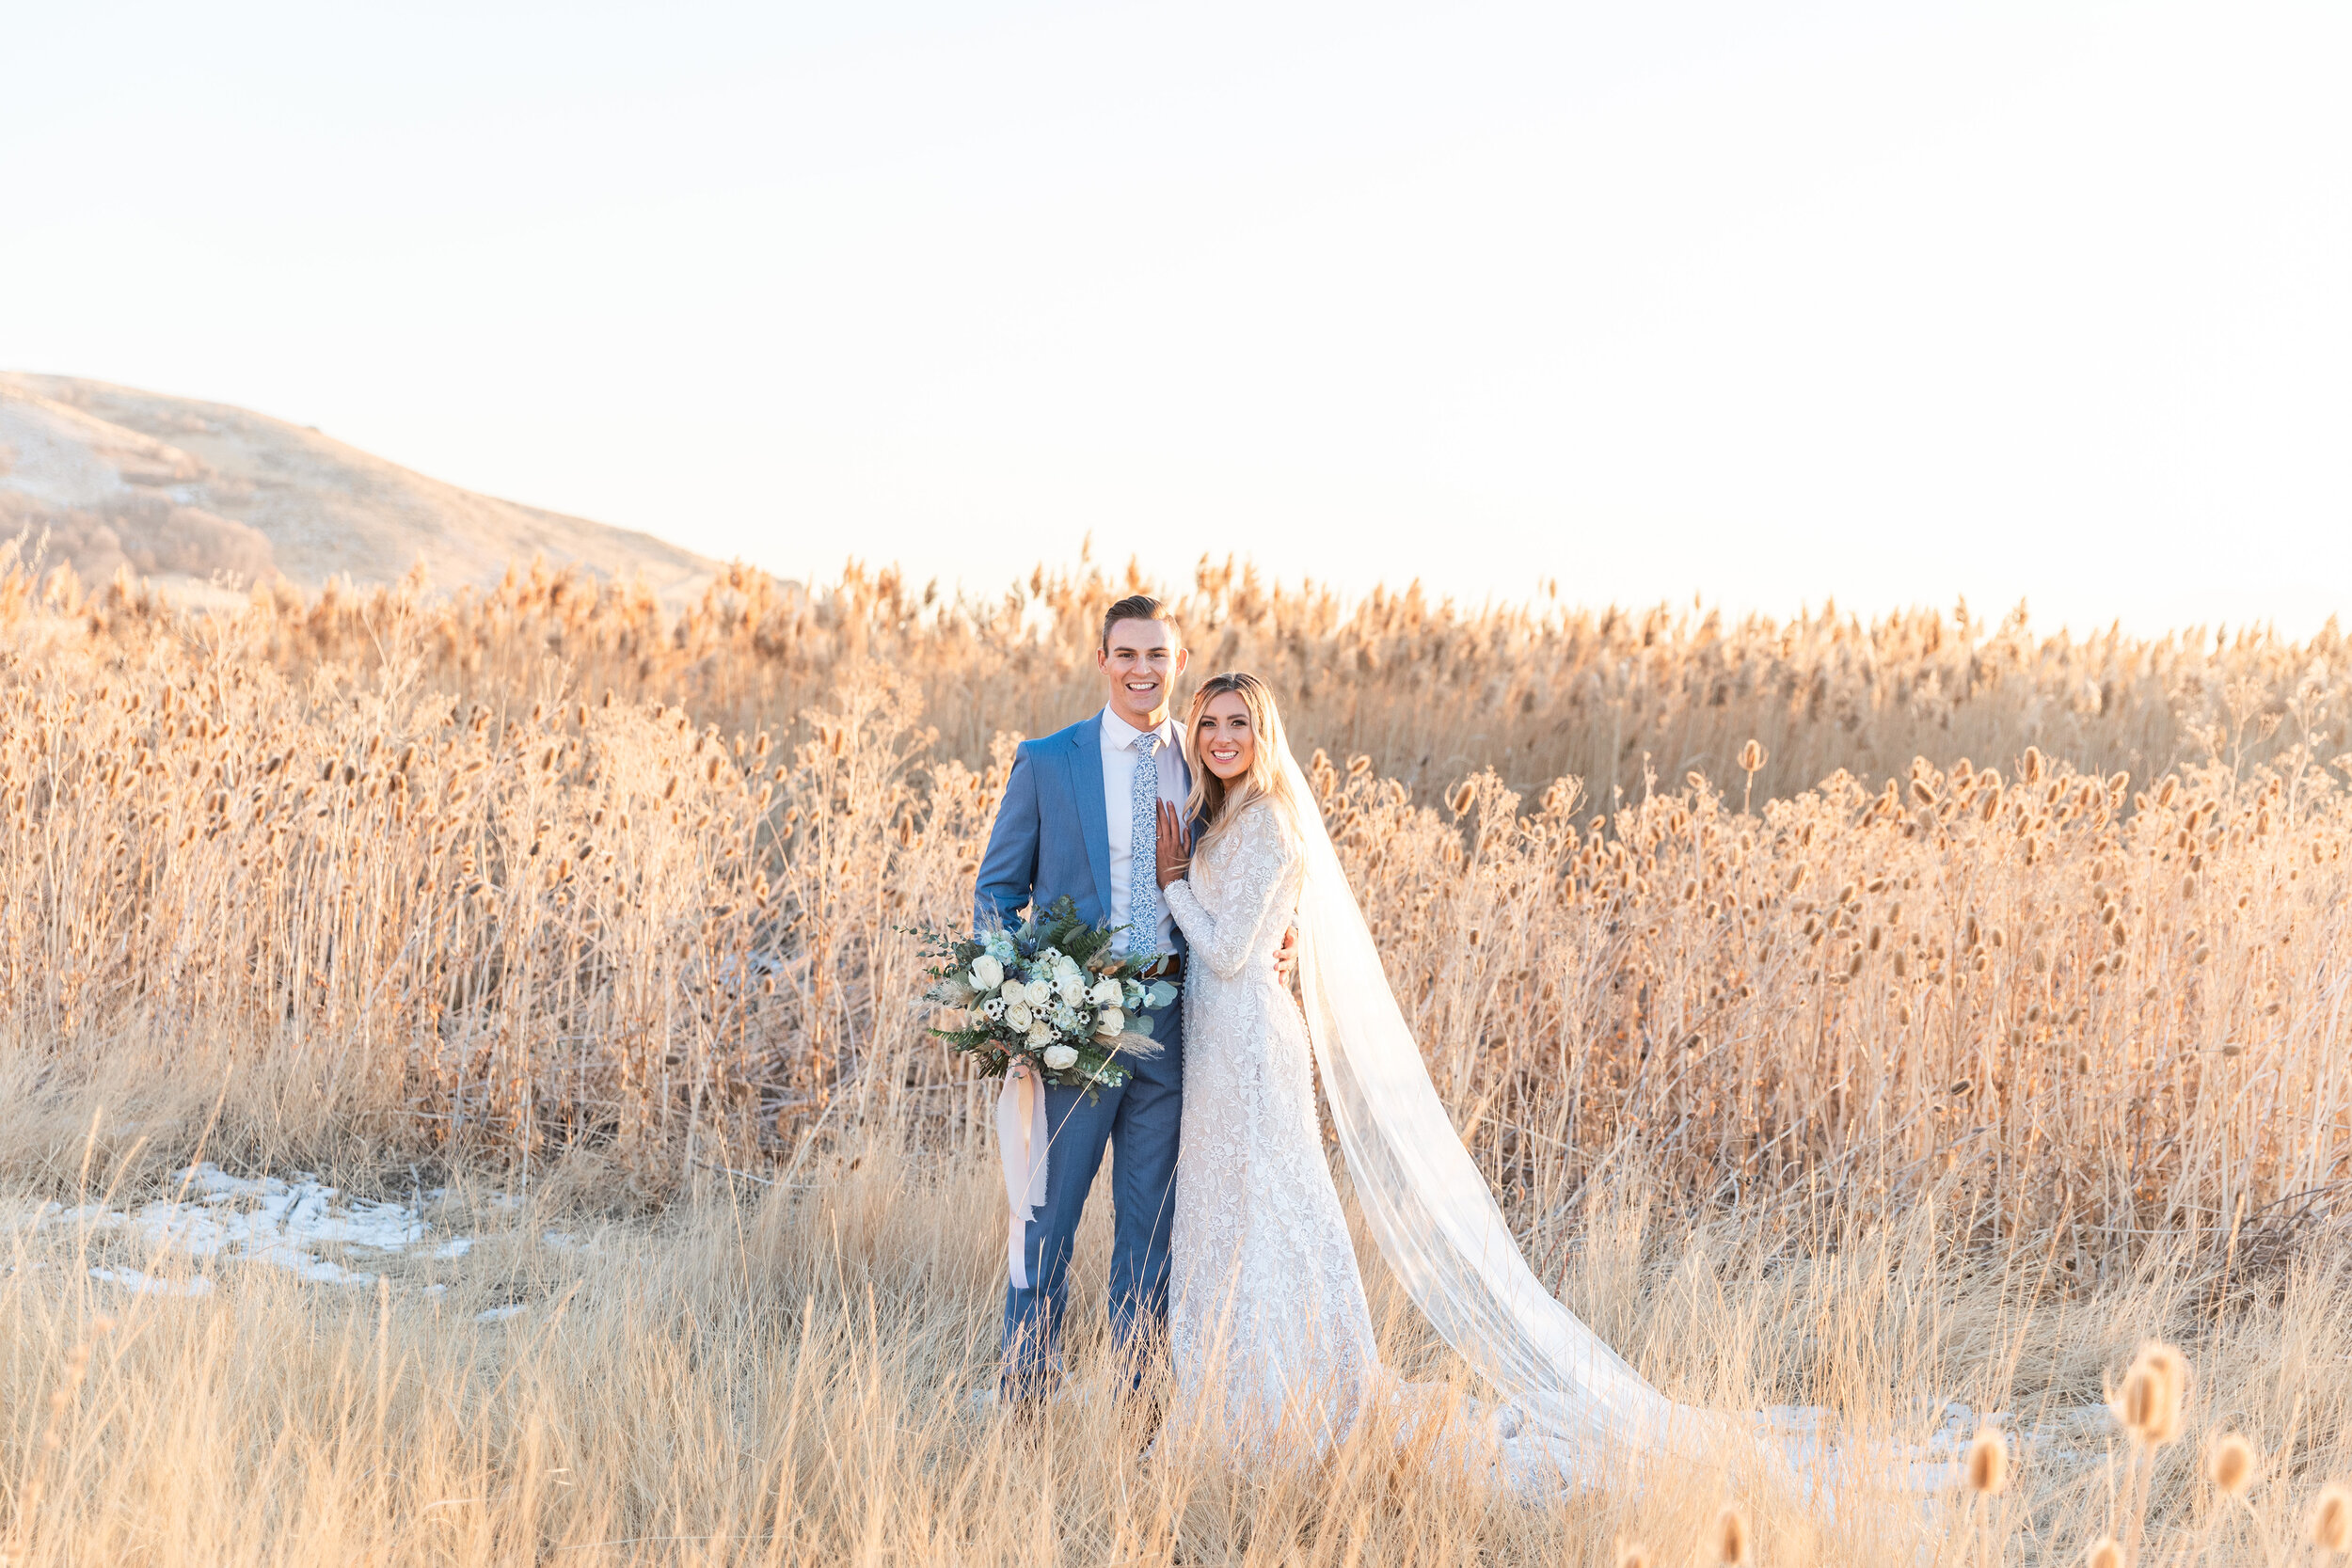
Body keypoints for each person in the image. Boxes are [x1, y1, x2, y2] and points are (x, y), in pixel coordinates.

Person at [972, 597, 1295, 1403]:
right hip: (1076, 1025)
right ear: (1103, 660)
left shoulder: (1212, 758)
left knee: (1150, 1228)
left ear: (1178, 662)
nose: (1142, 669)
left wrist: (1285, 940)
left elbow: (1262, 863)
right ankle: (1026, 1388)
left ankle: (1138, 1401)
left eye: (1158, 654)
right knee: (1049, 1219)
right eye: (1127, 654)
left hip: (1176, 1022)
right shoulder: (1050, 761)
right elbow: (995, 891)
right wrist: (1024, 999)